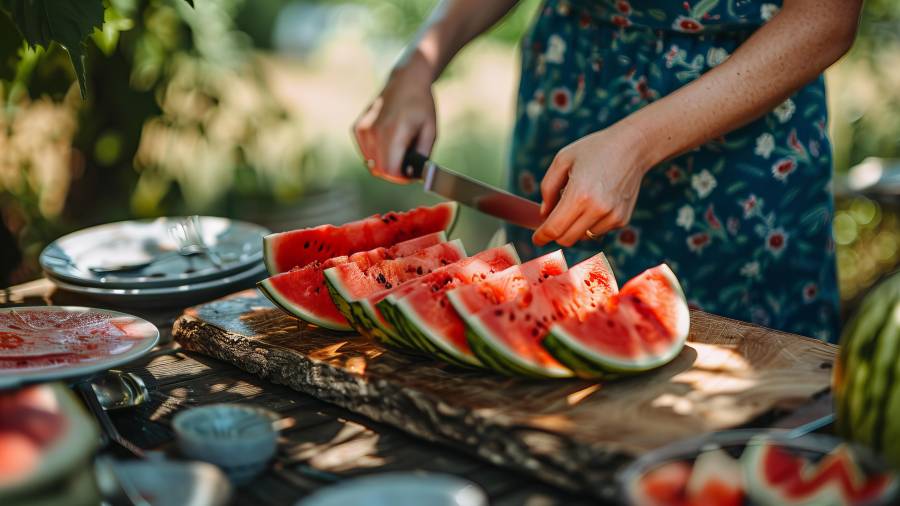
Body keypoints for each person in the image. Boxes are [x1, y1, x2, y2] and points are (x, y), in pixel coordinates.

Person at [353, 0, 862, 342]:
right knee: (542, 340)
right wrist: (416, 65)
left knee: (752, 365)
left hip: (743, 143)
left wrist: (636, 144)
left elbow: (827, 18)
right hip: (570, 95)